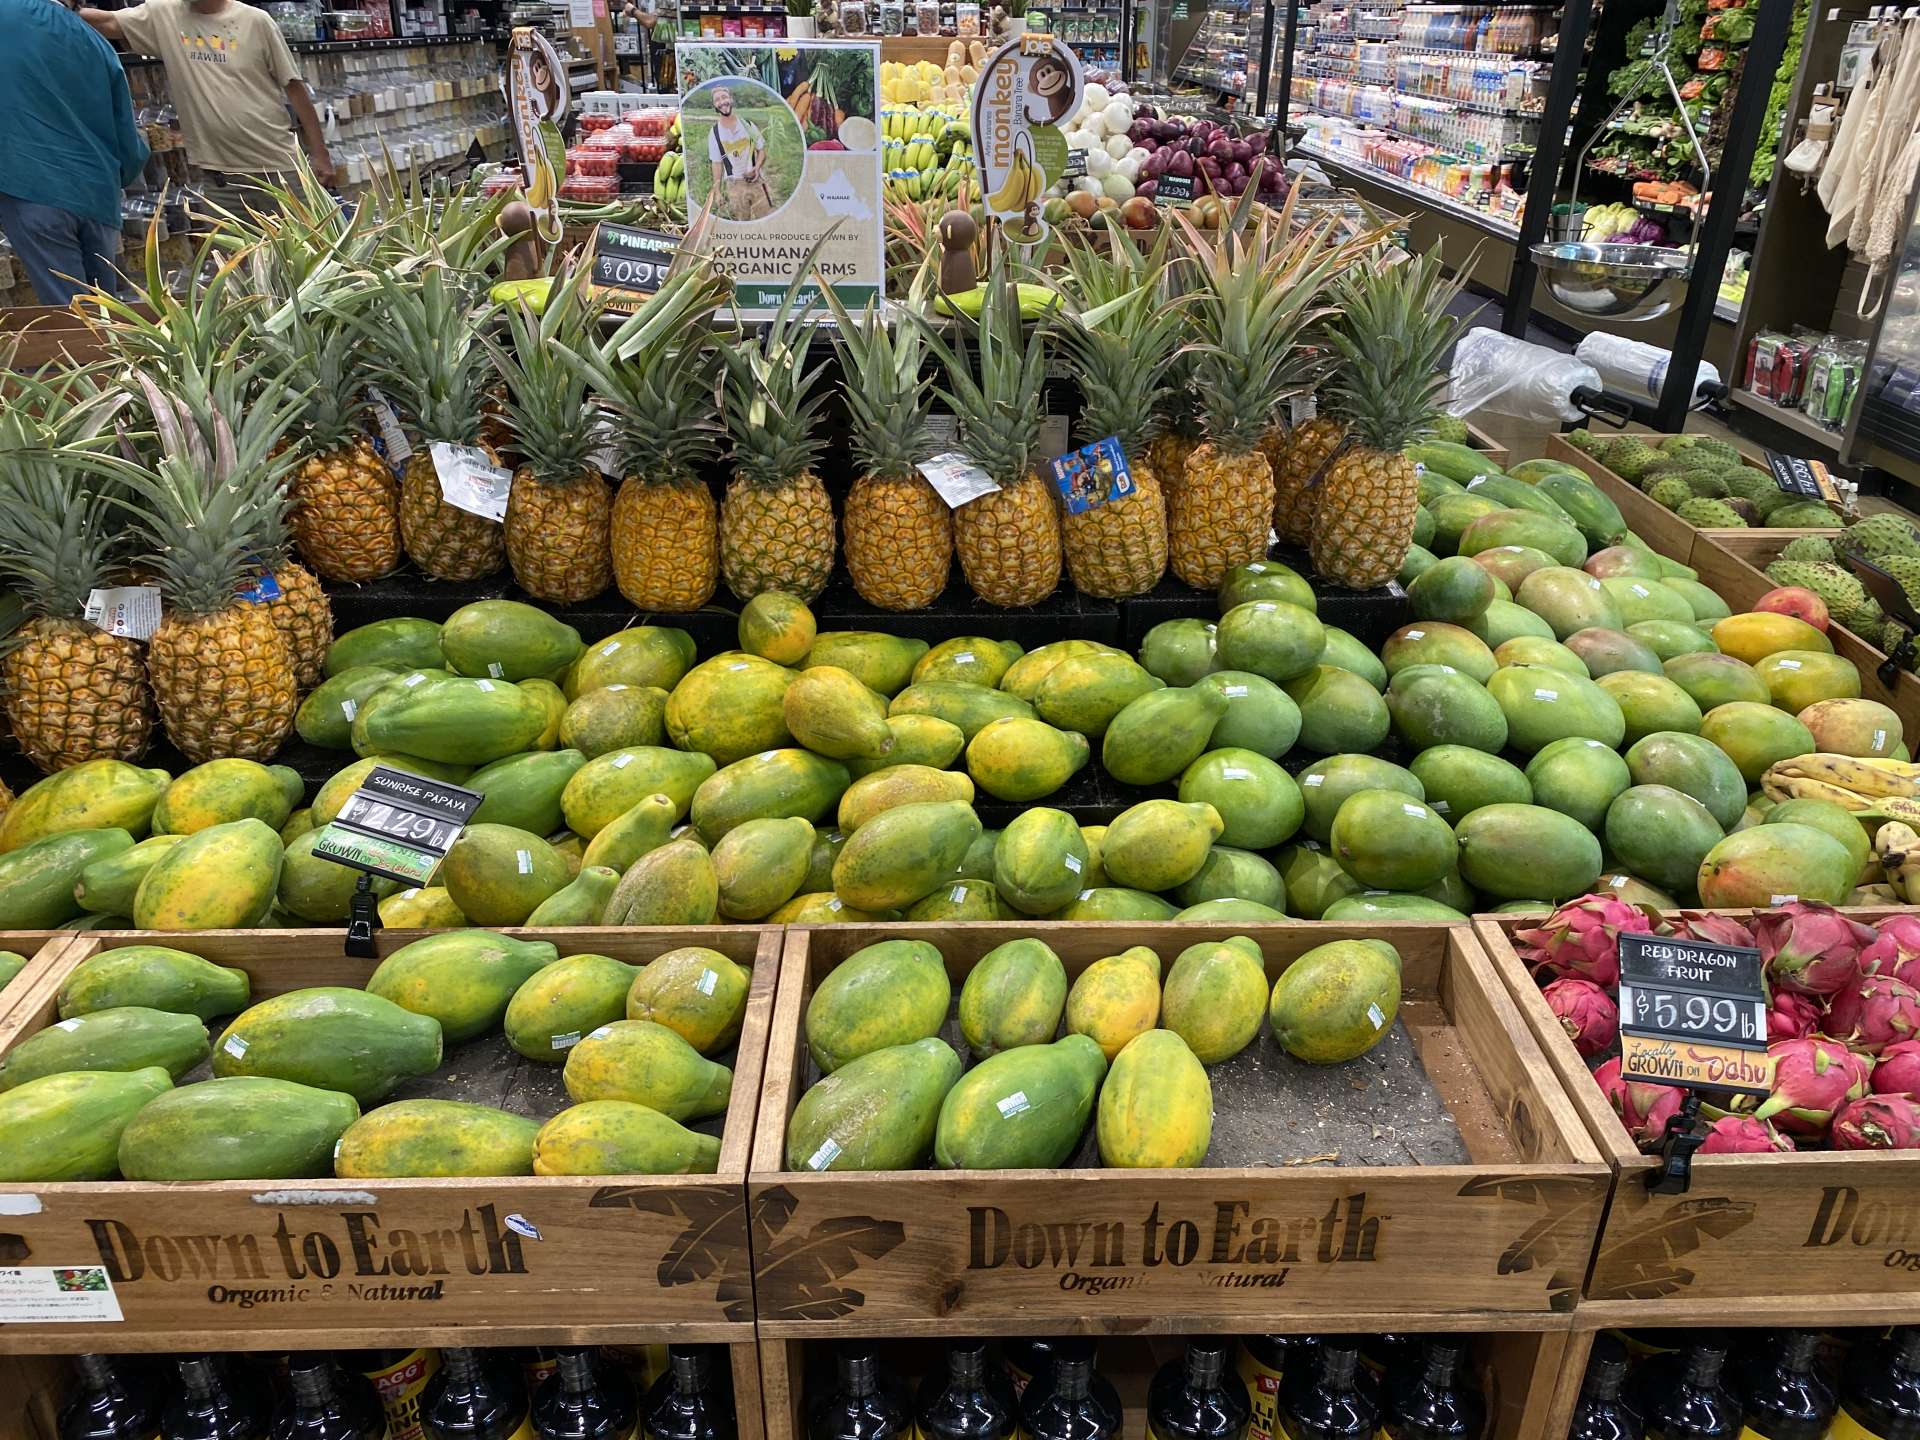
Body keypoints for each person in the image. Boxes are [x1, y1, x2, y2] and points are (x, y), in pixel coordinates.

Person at [78, 0, 334, 219]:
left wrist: (320, 155)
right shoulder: (166, 14)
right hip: (219, 181)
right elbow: (106, 22)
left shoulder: (256, 21)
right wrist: (52, 7)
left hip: (278, 171)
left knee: (304, 266)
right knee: (234, 272)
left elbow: (295, 89)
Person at [0, 0, 149, 303]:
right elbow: (129, 145)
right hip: (99, 196)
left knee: (72, 324)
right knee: (105, 313)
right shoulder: (96, 43)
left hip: (33, 188)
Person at [704, 87, 770, 221]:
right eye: (717, 100)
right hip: (734, 185)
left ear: (731, 100)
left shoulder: (747, 125)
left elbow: (761, 151)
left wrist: (756, 168)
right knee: (742, 224)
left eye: (724, 97)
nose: (722, 102)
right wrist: (717, 192)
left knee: (765, 221)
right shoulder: (715, 133)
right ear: (714, 106)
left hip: (756, 181)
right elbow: (716, 164)